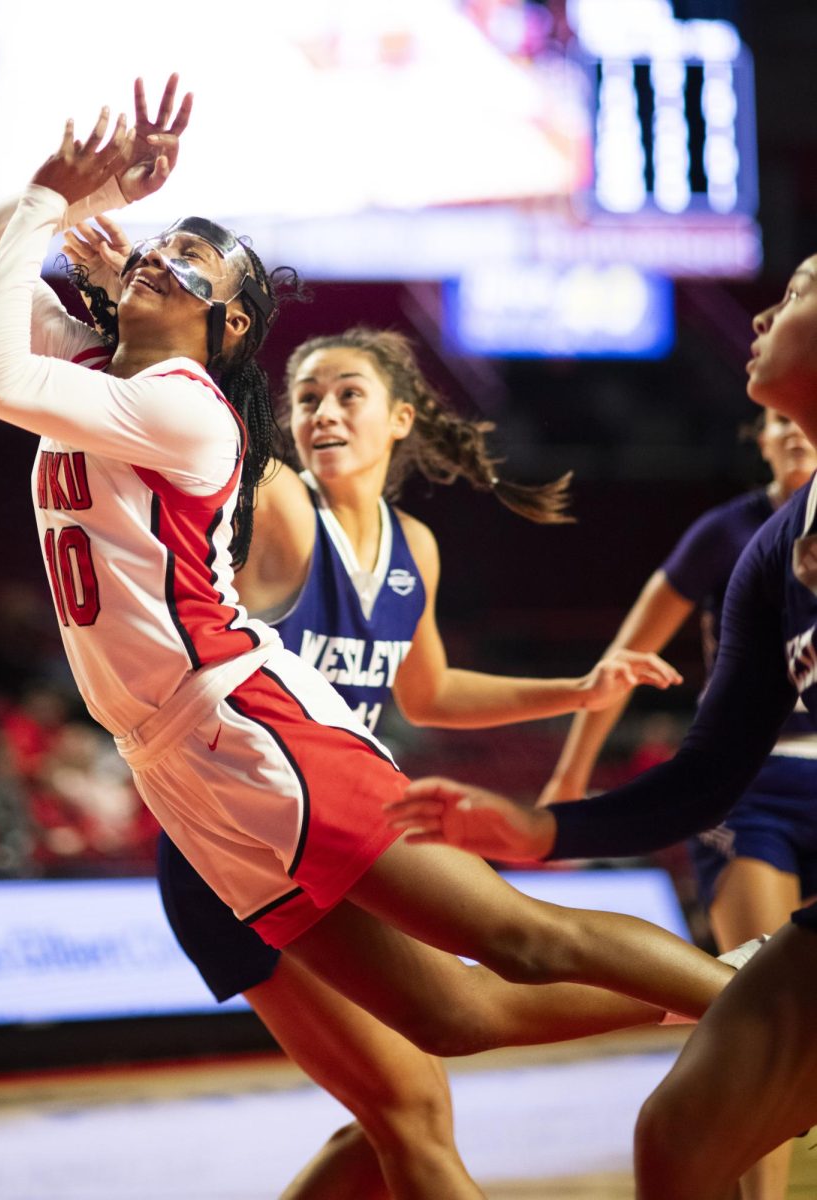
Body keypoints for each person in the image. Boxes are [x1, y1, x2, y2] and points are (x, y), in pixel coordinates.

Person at [0, 75, 746, 1200]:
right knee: (447, 1019)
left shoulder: (180, 405)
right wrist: (86, 196)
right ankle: (750, 990)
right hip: (177, 770)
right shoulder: (91, 367)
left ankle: (765, 1002)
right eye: (158, 250)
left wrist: (41, 204)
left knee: (516, 943)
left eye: (188, 271)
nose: (156, 261)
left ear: (224, 332)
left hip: (246, 729)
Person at [386, 254, 817, 1198]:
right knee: (680, 1133)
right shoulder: (763, 549)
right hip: (764, 797)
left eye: (789, 300)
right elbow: (706, 770)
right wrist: (546, 826)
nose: (754, 321)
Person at [538, 408, 817, 1198]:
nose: (789, 430)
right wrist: (570, 776)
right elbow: (624, 655)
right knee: (755, 1016)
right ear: (754, 438)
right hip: (750, 788)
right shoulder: (729, 534)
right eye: (772, 421)